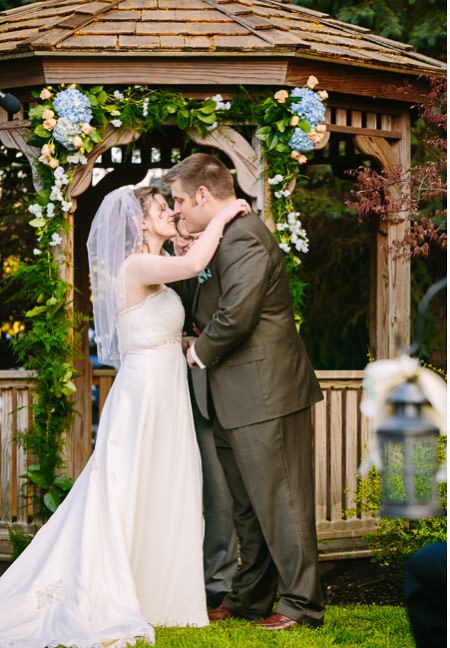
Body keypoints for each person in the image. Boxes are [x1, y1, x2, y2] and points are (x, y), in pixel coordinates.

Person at [0, 185, 248, 646]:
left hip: (165, 385)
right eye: (161, 209)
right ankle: (110, 588)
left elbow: (172, 307)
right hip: (144, 396)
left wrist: (188, 345)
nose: (171, 214)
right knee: (128, 486)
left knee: (165, 484)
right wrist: (226, 211)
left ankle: (159, 593)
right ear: (140, 222)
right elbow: (193, 266)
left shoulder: (154, 264)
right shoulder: (135, 265)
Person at [164, 153, 325, 631]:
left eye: (179, 201)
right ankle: (251, 596)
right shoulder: (217, 239)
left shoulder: (246, 236)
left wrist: (199, 353)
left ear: (203, 195)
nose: (177, 211)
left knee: (282, 500)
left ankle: (302, 604)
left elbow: (238, 312)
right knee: (247, 505)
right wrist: (182, 256)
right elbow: (201, 302)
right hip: (232, 396)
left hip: (265, 391)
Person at [169, 226, 238, 610]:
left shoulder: (229, 260)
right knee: (205, 486)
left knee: (223, 492)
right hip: (182, 390)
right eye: (179, 233)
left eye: (191, 233)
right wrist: (182, 339)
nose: (184, 239)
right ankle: (199, 575)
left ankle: (222, 579)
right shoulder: (169, 267)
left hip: (228, 387)